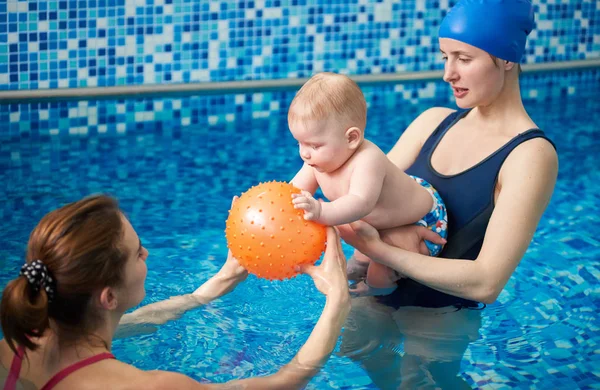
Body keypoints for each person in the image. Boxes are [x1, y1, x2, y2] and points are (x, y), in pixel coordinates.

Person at [336, 0, 558, 388]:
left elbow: (486, 282)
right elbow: (356, 200)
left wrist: (385, 250)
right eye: (445, 56)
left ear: (506, 58)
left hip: (439, 318)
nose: (448, 73)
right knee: (359, 358)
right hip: (375, 293)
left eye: (463, 58)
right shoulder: (431, 123)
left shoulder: (530, 155)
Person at [0, 194, 351, 390]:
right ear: (107, 298)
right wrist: (337, 300)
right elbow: (287, 381)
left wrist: (213, 288)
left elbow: (136, 321)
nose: (147, 254)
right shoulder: (151, 387)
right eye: (137, 252)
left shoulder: (15, 346)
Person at [289, 72, 448, 296]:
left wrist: (321, 210)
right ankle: (362, 265)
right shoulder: (317, 162)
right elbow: (291, 194)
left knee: (378, 274)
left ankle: (375, 297)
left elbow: (360, 203)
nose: (304, 153)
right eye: (299, 143)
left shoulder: (367, 160)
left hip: (425, 220)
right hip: (386, 218)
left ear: (351, 138)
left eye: (314, 145)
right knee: (359, 254)